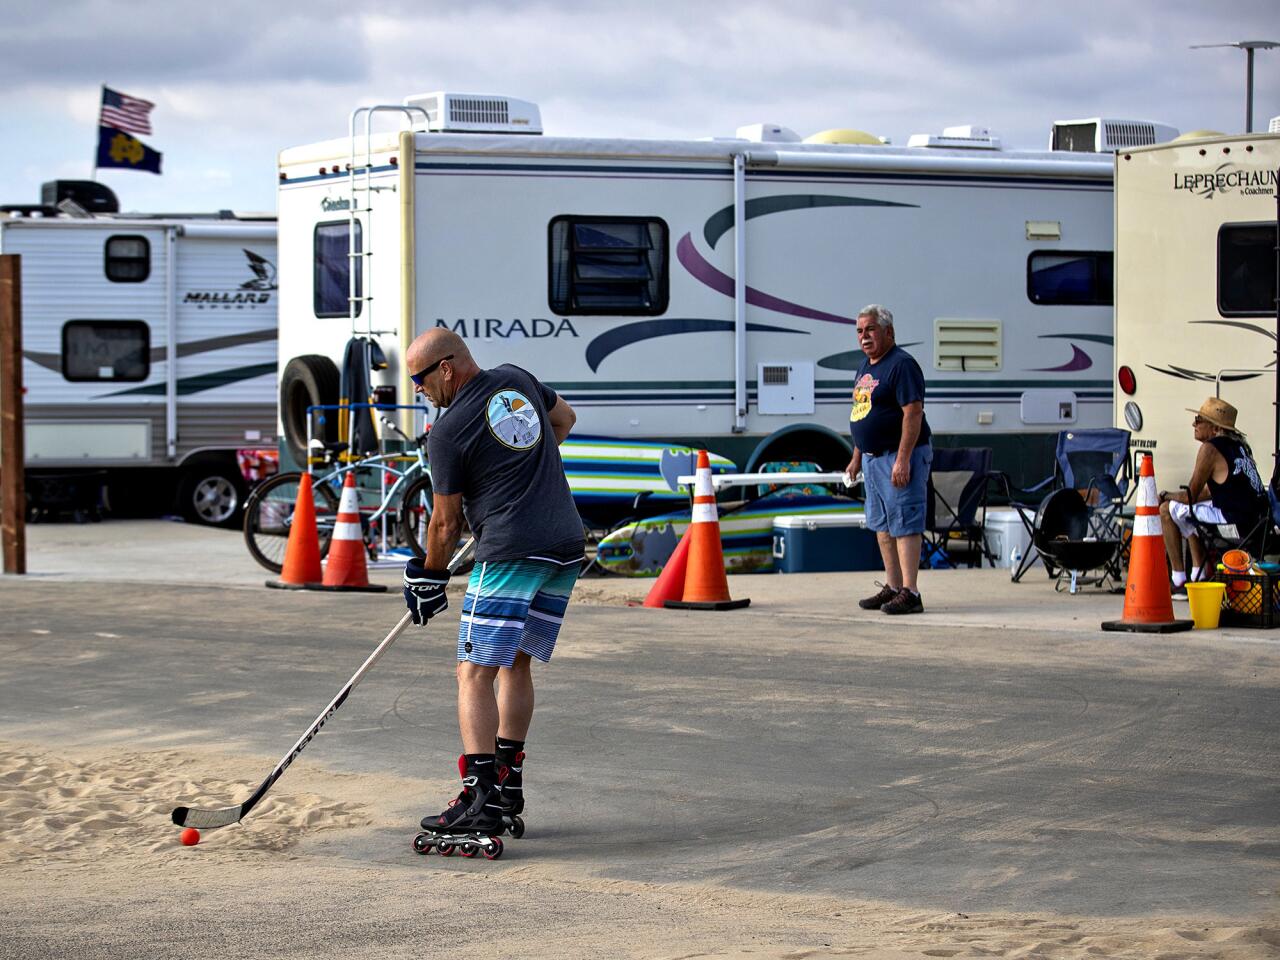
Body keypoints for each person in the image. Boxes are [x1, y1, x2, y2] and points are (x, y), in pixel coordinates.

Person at [401, 328, 584, 843]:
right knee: (517, 663)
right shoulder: (516, 378)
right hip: (564, 545)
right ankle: (508, 783)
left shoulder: (448, 430)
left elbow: (444, 523)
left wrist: (430, 577)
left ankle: (478, 796)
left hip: (511, 551)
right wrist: (523, 467)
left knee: (474, 672)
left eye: (419, 378)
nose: (416, 389)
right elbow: (564, 420)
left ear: (445, 368)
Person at [845, 304, 933, 615]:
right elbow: (862, 411)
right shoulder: (865, 367)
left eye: (870, 329)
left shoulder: (902, 365)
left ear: (889, 332)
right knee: (882, 526)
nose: (864, 336)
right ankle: (893, 587)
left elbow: (913, 413)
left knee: (905, 524)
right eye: (859, 331)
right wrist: (857, 456)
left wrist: (903, 459)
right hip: (871, 459)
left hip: (898, 457)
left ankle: (911, 592)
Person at [1158, 397, 1267, 596]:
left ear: (1215, 428)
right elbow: (1208, 493)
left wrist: (1165, 495)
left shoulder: (1210, 449)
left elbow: (1192, 495)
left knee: (1167, 510)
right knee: (1188, 511)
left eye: (1199, 420)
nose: (1194, 424)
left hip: (1235, 524)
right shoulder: (1241, 446)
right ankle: (1199, 572)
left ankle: (1179, 580)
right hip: (1257, 524)